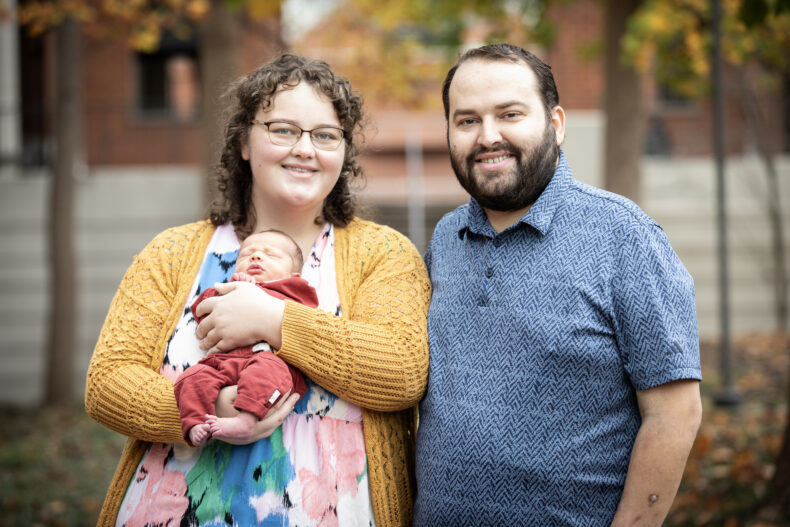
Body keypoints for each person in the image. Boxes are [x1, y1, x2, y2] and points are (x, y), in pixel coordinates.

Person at [85, 53, 430, 527]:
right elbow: (107, 383)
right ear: (244, 142)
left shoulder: (383, 254)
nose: (305, 149)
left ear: (343, 152)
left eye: (325, 135)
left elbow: (402, 372)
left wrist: (274, 320)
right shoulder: (172, 253)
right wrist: (210, 409)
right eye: (283, 130)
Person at [414, 43, 702, 526]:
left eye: (509, 114)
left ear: (556, 124)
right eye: (467, 121)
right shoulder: (445, 238)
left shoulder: (624, 236)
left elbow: (675, 414)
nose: (488, 136)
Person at [174, 229, 318, 447]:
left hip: (269, 360)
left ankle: (246, 420)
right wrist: (228, 291)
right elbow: (202, 312)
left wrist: (264, 307)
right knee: (192, 377)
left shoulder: (295, 293)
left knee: (266, 371)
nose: (256, 256)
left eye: (271, 254)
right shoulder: (227, 289)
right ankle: (195, 423)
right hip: (223, 363)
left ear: (293, 276)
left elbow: (307, 323)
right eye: (246, 254)